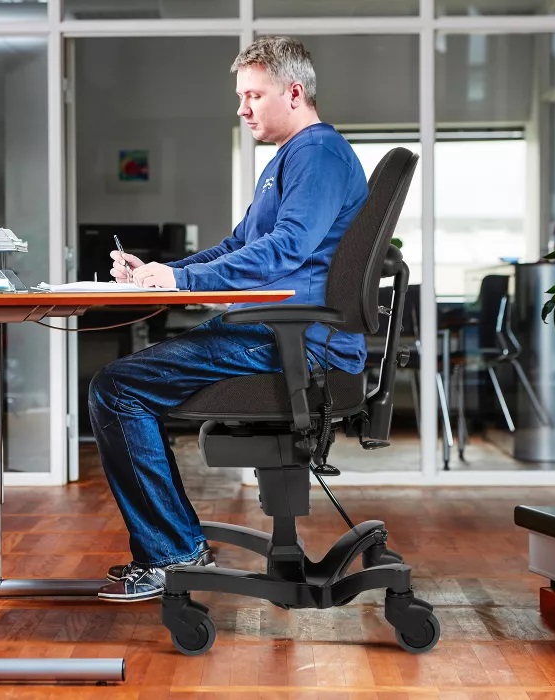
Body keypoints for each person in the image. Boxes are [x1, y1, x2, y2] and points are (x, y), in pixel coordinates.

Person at [90, 35, 369, 602]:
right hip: (275, 331)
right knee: (125, 385)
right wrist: (162, 272)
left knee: (116, 389)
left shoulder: (317, 154)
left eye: (253, 96)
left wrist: (182, 283)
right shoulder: (289, 158)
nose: (241, 109)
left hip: (297, 340)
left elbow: (287, 249)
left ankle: (172, 552)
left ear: (294, 93)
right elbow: (238, 245)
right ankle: (174, 544)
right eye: (241, 96)